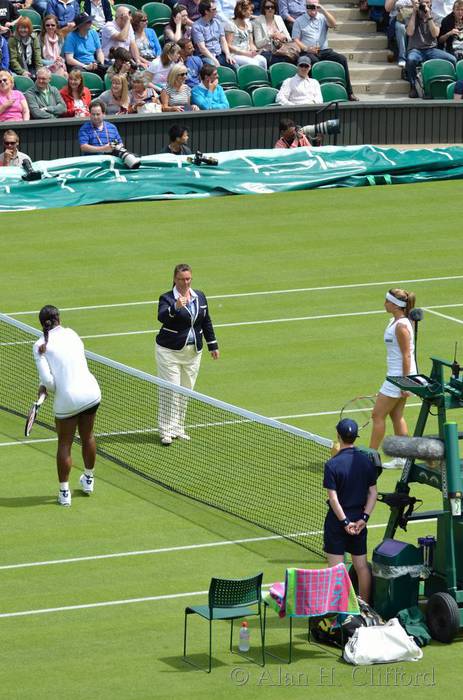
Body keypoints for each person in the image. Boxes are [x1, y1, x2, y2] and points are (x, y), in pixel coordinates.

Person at [32, 305, 101, 507]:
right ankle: (88, 481)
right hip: (91, 393)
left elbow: (50, 383)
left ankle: (64, 493)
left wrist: (43, 388)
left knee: (64, 444)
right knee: (88, 436)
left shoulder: (39, 346)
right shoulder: (72, 334)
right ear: (58, 319)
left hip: (68, 400)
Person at [155, 263, 219, 445]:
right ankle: (166, 430)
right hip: (169, 352)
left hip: (193, 352)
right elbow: (161, 317)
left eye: (188, 279)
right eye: (182, 279)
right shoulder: (167, 298)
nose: (186, 283)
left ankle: (178, 427)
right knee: (170, 390)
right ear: (175, 279)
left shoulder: (199, 296)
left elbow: (206, 320)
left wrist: (212, 344)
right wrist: (175, 307)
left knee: (185, 391)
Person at [323, 418, 377, 603]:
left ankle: (340, 609)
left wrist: (345, 522)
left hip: (337, 523)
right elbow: (373, 493)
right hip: (359, 521)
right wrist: (364, 518)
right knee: (362, 566)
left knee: (336, 569)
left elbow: (333, 499)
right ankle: (365, 607)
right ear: (355, 437)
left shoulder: (332, 465)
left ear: (338, 436)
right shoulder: (366, 461)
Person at [369, 288, 417, 468]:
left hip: (399, 378)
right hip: (395, 376)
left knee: (377, 415)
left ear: (396, 305)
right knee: (396, 415)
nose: (384, 304)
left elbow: (406, 355)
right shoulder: (393, 322)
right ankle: (403, 458)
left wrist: (405, 383)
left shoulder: (402, 326)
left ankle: (370, 458)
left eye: (387, 301)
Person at [292, 0, 359, 101]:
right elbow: (295, 39)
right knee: (314, 62)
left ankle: (349, 92)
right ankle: (315, 94)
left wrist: (323, 9)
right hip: (308, 52)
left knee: (342, 59)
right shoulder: (299, 20)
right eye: (310, 6)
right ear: (306, 7)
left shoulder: (322, 17)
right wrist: (306, 48)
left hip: (324, 50)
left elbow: (333, 24)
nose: (312, 9)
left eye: (315, 6)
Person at [406, 0, 456, 97]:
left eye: (428, 2)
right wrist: (414, 13)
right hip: (415, 49)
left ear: (431, 4)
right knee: (411, 60)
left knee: (452, 59)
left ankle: (452, 86)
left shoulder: (435, 16)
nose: (425, 5)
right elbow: (409, 33)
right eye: (423, 3)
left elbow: (435, 34)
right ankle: (413, 86)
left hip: (431, 49)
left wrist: (428, 16)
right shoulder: (412, 15)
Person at [191, 0, 236, 66]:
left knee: (235, 65)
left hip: (219, 54)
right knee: (213, 66)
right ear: (206, 12)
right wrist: (214, 60)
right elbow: (202, 48)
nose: (216, 11)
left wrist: (228, 54)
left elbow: (223, 41)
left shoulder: (217, 22)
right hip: (206, 56)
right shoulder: (197, 26)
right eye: (214, 9)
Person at [225, 0, 267, 68]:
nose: (252, 12)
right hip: (236, 54)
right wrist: (244, 53)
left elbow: (251, 43)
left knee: (263, 60)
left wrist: (255, 50)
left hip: (247, 52)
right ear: (243, 11)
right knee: (254, 63)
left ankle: (263, 78)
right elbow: (228, 45)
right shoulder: (230, 25)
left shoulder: (249, 24)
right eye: (250, 10)